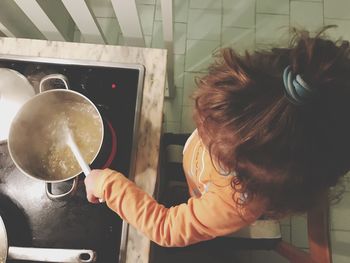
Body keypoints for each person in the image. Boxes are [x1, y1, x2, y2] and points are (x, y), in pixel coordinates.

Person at [84, 27, 350, 247]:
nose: (204, 131)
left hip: (205, 198)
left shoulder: (234, 205)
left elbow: (167, 229)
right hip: (200, 175)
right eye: (208, 125)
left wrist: (108, 184)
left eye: (218, 147)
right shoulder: (254, 114)